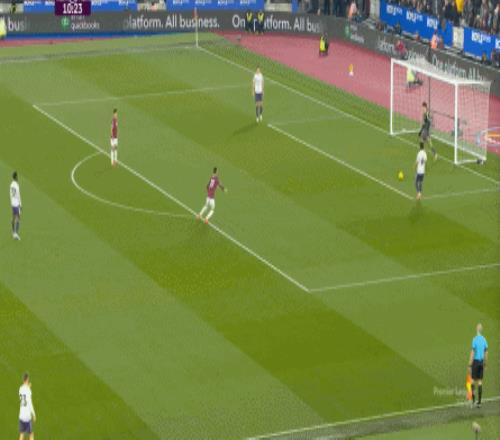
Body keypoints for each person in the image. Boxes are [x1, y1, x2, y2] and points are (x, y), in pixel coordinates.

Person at [469, 323, 488, 408]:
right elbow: (486, 353)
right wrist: (485, 364)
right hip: (481, 362)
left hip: (475, 362)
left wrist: (469, 364)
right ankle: (479, 403)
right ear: (481, 330)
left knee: (472, 381)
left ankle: (473, 402)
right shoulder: (484, 339)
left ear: (477, 329)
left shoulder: (475, 339)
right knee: (480, 382)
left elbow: (472, 352)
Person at [19, 373, 36, 440]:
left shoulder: (20, 389)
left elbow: (23, 397)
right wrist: (33, 414)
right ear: (27, 379)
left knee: (21, 434)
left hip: (21, 415)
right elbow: (30, 403)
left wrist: (28, 387)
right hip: (27, 416)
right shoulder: (28, 390)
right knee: (31, 434)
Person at [10, 171, 22, 241]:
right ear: (16, 177)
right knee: (18, 218)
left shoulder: (11, 184)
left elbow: (11, 194)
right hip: (16, 204)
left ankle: (13, 232)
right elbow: (18, 195)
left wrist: (12, 202)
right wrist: (20, 204)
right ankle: (16, 234)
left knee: (13, 217)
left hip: (12, 203)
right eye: (17, 176)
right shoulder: (17, 185)